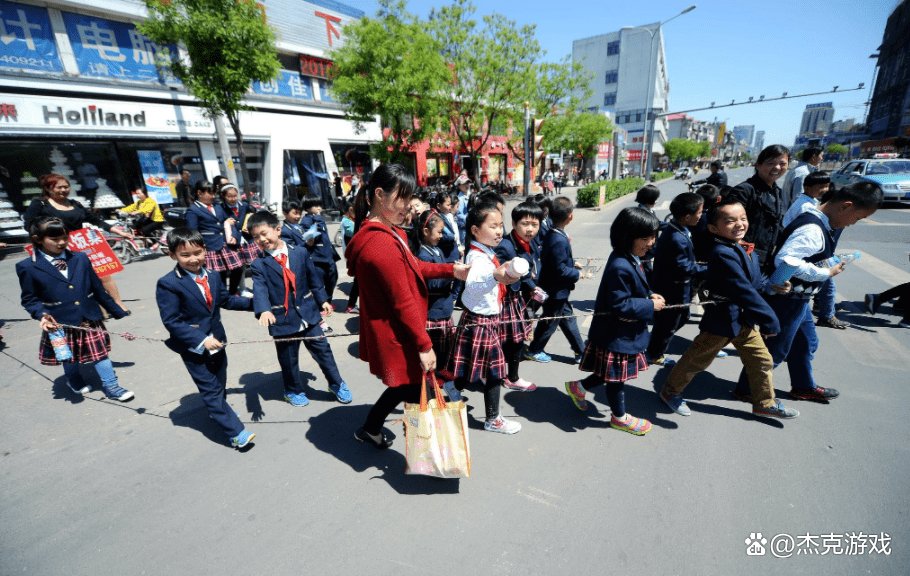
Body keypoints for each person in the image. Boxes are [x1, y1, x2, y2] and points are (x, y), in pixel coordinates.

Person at [344, 164, 468, 449]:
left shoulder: (386, 230)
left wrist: (451, 270)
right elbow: (403, 301)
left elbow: (412, 267)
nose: (409, 206)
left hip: (399, 331)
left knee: (406, 385)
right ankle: (429, 455)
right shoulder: (381, 243)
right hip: (400, 333)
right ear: (379, 195)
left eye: (410, 197)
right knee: (416, 392)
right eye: (402, 197)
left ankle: (372, 429)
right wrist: (424, 345)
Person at [732, 182, 883, 404]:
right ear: (846, 206)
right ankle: (750, 390)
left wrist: (826, 264)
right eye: (857, 218)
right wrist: (824, 272)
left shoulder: (820, 222)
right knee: (775, 350)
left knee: (805, 343)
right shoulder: (812, 229)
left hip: (799, 298)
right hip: (787, 299)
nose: (853, 224)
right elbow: (785, 261)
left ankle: (803, 386)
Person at [660, 199, 799, 419]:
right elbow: (743, 290)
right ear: (714, 228)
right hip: (722, 320)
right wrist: (769, 318)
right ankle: (670, 392)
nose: (739, 224)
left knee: (762, 359)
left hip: (743, 319)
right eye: (730, 221)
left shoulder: (745, 247)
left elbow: (753, 281)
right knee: (696, 360)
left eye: (743, 218)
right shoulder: (722, 253)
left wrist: (772, 285)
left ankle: (764, 403)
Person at [563, 207, 665, 435]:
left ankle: (578, 387)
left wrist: (649, 296)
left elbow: (634, 289)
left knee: (608, 373)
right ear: (627, 237)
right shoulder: (621, 265)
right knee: (616, 379)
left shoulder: (629, 257)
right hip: (616, 333)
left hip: (620, 332)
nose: (652, 242)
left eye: (653, 236)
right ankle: (619, 417)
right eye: (646, 238)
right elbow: (620, 305)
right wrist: (650, 306)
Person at [155, 228, 256, 449]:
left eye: (198, 252)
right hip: (194, 348)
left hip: (218, 342)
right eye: (185, 255)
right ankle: (236, 432)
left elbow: (227, 301)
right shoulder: (168, 283)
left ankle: (220, 410)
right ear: (172, 255)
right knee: (210, 389)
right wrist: (200, 340)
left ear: (205, 250)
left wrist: (256, 305)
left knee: (219, 382)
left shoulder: (212, 275)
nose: (193, 259)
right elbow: (172, 321)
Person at [17, 216, 134, 401]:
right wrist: (42, 315)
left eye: (64, 237)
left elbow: (97, 288)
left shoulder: (80, 258)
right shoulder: (27, 267)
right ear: (38, 239)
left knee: (100, 354)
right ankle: (73, 379)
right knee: (68, 356)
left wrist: (116, 310)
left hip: (89, 317)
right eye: (54, 239)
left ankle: (112, 386)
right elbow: (29, 299)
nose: (61, 242)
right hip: (59, 321)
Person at [247, 211, 352, 407]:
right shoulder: (258, 264)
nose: (261, 240)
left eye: (264, 233)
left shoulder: (300, 252)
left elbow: (313, 279)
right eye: (255, 237)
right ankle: (292, 389)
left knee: (323, 351)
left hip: (309, 315)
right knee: (288, 359)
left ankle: (336, 383)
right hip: (283, 320)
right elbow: (259, 288)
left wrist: (323, 301)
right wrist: (264, 310)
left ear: (277, 230)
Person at [443, 201, 525, 434]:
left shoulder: (485, 252)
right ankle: (493, 419)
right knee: (495, 372)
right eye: (492, 226)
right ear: (476, 230)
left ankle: (450, 386)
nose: (499, 230)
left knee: (471, 363)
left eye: (500, 225)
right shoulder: (478, 258)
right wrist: (496, 277)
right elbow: (473, 286)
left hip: (481, 319)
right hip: (481, 321)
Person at [23, 173, 132, 310]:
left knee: (103, 274)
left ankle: (117, 303)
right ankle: (88, 308)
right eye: (59, 187)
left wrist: (120, 232)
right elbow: (29, 225)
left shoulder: (75, 204)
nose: (64, 190)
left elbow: (96, 220)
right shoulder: (40, 204)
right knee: (75, 280)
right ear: (48, 188)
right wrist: (43, 237)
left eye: (66, 187)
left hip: (83, 243)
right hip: (57, 248)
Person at [645, 192, 706, 366]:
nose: (701, 216)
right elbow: (684, 266)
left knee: (681, 317)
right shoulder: (676, 237)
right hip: (672, 289)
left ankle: (654, 343)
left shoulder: (678, 229)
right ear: (687, 217)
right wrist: (707, 268)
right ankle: (654, 354)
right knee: (668, 324)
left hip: (677, 288)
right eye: (699, 213)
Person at [524, 196, 585, 363]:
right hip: (555, 289)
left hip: (556, 289)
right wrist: (578, 274)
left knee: (567, 318)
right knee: (550, 322)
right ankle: (535, 349)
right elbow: (560, 269)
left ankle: (581, 352)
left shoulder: (554, 233)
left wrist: (573, 262)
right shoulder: (557, 237)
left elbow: (558, 260)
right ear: (570, 216)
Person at [409, 210, 460, 401]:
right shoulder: (423, 253)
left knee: (445, 350)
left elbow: (450, 237)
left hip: (443, 310)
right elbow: (431, 283)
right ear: (424, 231)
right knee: (435, 354)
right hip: (434, 312)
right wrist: (452, 274)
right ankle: (432, 389)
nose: (441, 235)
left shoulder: (436, 248)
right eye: (438, 231)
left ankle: (440, 380)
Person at [494, 200, 544, 392]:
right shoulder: (506, 246)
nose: (530, 229)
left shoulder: (530, 243)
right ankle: (509, 377)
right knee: (510, 340)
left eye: (535, 224)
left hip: (516, 298)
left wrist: (532, 286)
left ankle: (507, 375)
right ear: (514, 224)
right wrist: (530, 284)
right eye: (525, 224)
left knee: (513, 340)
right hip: (505, 300)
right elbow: (506, 275)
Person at [724, 144, 791, 270]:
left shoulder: (778, 193)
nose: (777, 167)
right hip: (742, 260)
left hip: (765, 261)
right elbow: (727, 226)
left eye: (782, 163)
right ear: (758, 165)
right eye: (771, 163)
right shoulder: (744, 190)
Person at [184, 181, 244, 294]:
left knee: (238, 268)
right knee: (218, 273)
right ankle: (222, 295)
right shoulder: (193, 210)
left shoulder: (218, 206)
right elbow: (192, 232)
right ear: (199, 193)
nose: (212, 196)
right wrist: (200, 247)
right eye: (209, 193)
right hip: (210, 245)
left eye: (213, 193)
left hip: (226, 242)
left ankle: (232, 291)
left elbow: (231, 220)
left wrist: (234, 235)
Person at [300, 196, 341, 305]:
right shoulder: (306, 221)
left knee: (332, 280)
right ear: (308, 208)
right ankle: (321, 305)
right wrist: (318, 219)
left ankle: (328, 301)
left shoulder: (319, 218)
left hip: (328, 257)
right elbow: (309, 238)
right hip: (317, 258)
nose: (319, 208)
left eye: (320, 205)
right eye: (316, 205)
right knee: (319, 283)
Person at [219, 183, 258, 291]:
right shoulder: (220, 208)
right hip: (232, 240)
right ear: (223, 196)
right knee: (236, 266)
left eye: (235, 195)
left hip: (245, 239)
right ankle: (235, 289)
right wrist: (226, 224)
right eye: (229, 196)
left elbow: (250, 217)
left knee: (247, 265)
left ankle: (244, 288)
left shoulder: (243, 205)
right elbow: (219, 224)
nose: (233, 199)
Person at [119, 183, 165, 251]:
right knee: (133, 228)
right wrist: (121, 210)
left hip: (157, 220)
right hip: (148, 219)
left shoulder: (150, 201)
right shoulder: (139, 202)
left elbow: (147, 209)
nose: (137, 195)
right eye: (137, 193)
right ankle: (146, 242)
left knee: (143, 230)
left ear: (144, 193)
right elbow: (131, 207)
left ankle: (156, 242)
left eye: (139, 193)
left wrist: (137, 212)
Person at [635, 184, 661, 278]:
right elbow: (655, 224)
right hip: (644, 249)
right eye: (655, 198)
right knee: (646, 273)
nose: (657, 201)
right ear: (649, 199)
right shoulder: (642, 212)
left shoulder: (650, 210)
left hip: (649, 249)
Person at [454, 174, 472, 244]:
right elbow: (458, 215)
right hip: (464, 230)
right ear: (459, 186)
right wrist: (469, 218)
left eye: (468, 182)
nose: (467, 185)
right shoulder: (459, 199)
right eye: (464, 183)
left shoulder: (470, 194)